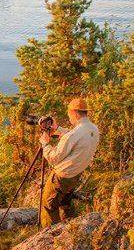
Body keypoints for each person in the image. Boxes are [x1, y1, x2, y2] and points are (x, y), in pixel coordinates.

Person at [37, 97, 100, 229]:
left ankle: (50, 236)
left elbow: (54, 158)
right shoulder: (93, 129)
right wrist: (57, 128)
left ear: (75, 113)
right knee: (65, 201)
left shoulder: (73, 134)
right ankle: (70, 228)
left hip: (63, 176)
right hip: (76, 174)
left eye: (69, 114)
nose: (69, 117)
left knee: (48, 205)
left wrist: (45, 144)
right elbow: (75, 137)